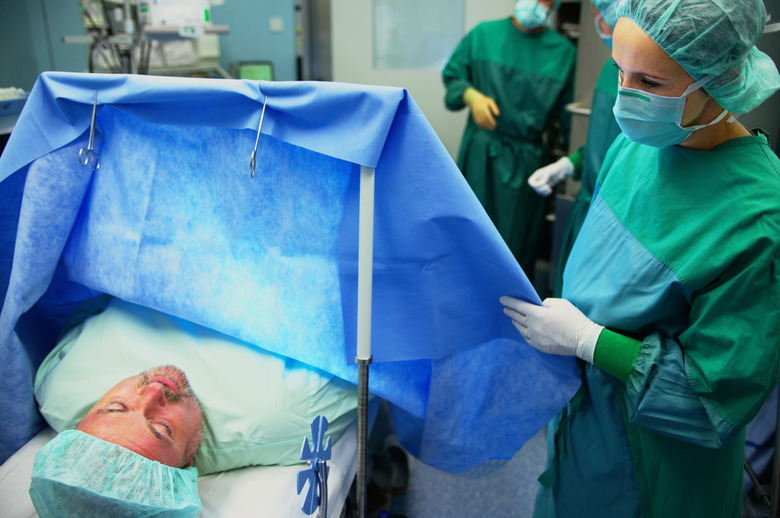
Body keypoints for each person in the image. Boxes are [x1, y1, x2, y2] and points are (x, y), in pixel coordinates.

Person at [500, 0, 780, 516]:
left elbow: (708, 400)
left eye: (649, 84)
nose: (625, 99)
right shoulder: (639, 145)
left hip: (656, 465)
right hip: (583, 427)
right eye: (619, 71)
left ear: (719, 78)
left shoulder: (759, 221)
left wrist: (589, 341)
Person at [442, 0, 576, 281]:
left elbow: (572, 126)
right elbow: (453, 78)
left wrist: (576, 162)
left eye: (546, 1)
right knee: (467, 237)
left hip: (525, 164)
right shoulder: (483, 35)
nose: (538, 4)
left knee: (514, 249)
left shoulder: (564, 54)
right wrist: (470, 94)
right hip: (480, 154)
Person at [527, 0, 622, 297]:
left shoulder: (645, 78)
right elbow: (604, 140)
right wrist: (569, 164)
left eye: (597, 14)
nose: (596, 23)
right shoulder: (613, 66)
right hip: (590, 206)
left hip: (618, 220)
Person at [29, 365, 204, 516]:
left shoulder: (53, 381)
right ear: (185, 465)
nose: (154, 389)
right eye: (162, 427)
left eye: (117, 406)